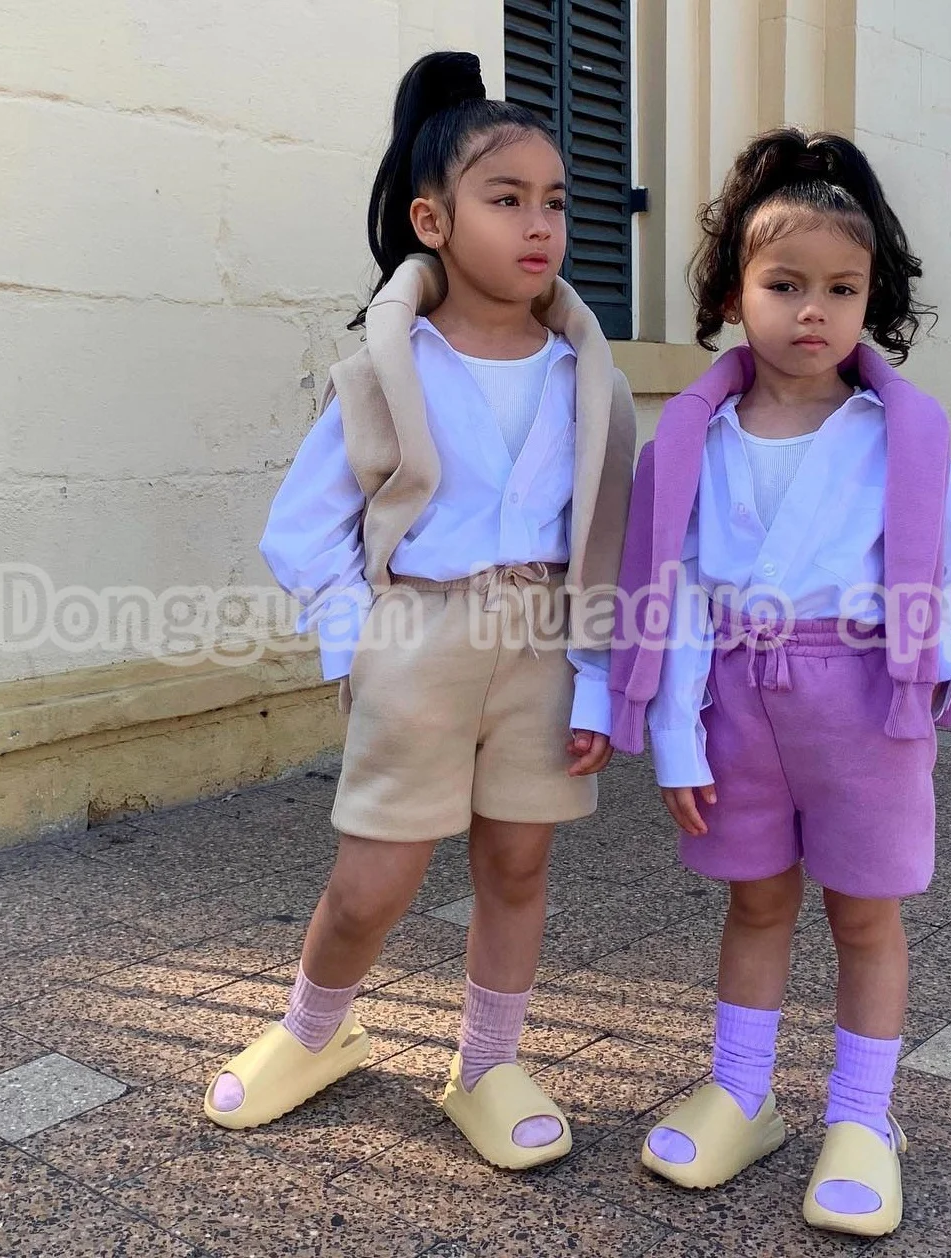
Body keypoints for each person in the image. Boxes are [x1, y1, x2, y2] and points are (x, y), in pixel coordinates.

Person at [202, 50, 635, 1173]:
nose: (539, 225)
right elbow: (303, 529)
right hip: (420, 640)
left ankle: (487, 1063)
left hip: (544, 646)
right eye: (506, 199)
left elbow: (608, 538)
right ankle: (315, 1031)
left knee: (518, 867)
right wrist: (367, 640)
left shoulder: (587, 378)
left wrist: (599, 673)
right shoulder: (386, 371)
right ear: (432, 221)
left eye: (555, 202)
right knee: (371, 882)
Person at [609, 129, 951, 1235]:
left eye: (842, 287)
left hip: (864, 704)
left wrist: (937, 664)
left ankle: (862, 1116)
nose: (813, 311)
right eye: (784, 284)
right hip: (734, 702)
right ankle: (741, 1092)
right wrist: (676, 738)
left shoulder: (902, 437)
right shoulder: (691, 442)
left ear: (872, 296)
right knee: (755, 898)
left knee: (865, 912)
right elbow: (670, 591)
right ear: (731, 292)